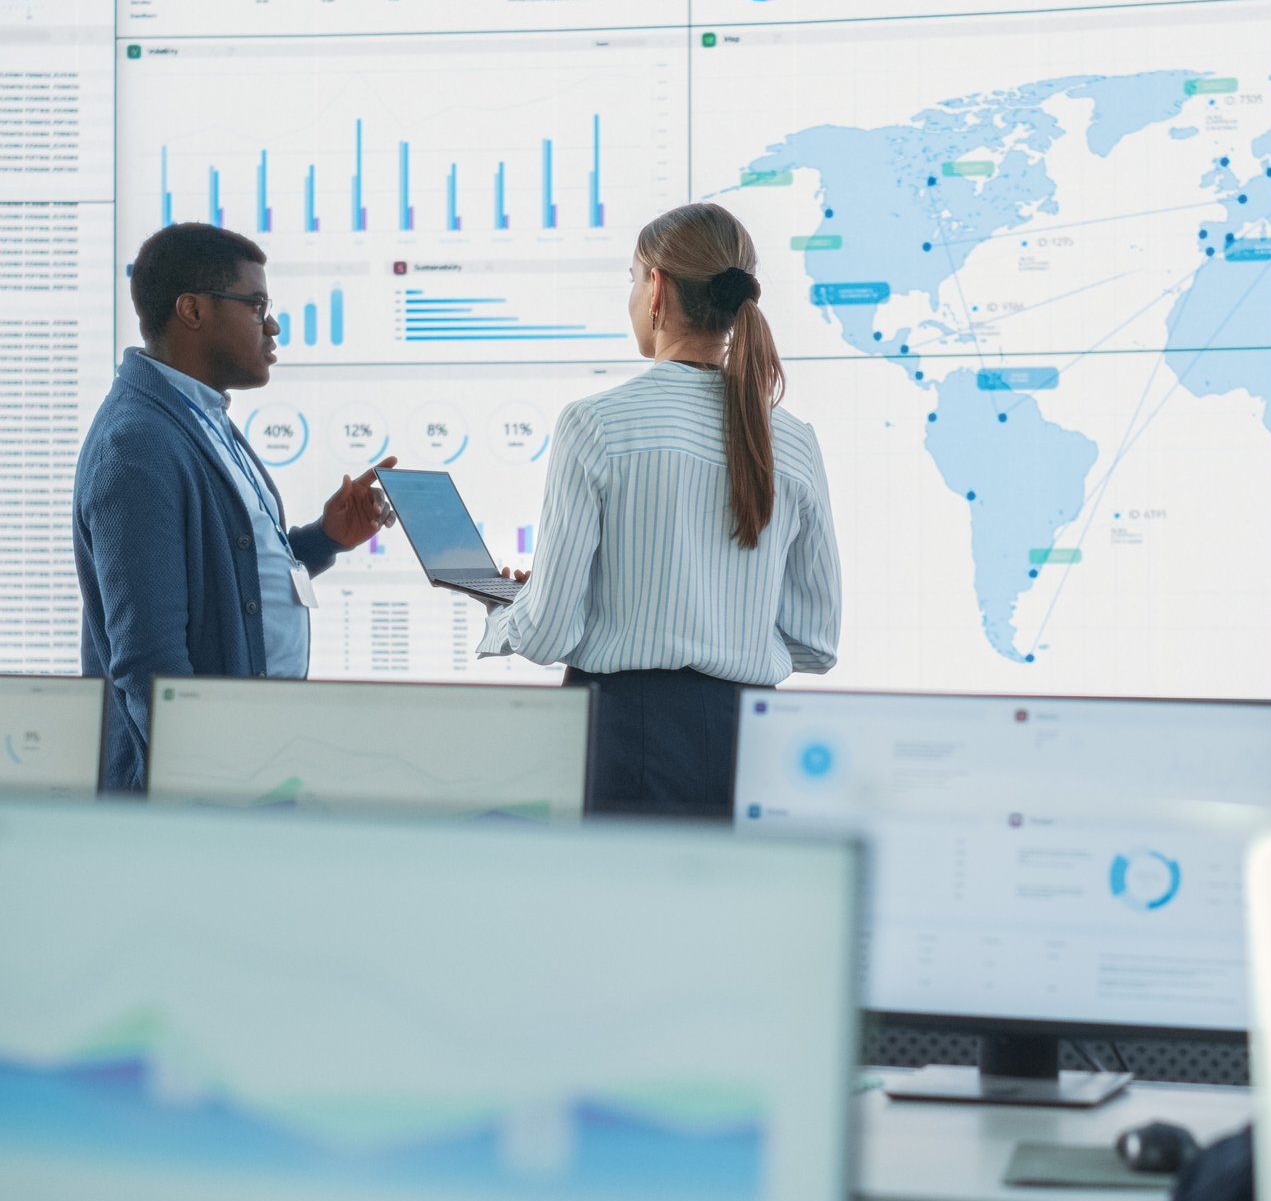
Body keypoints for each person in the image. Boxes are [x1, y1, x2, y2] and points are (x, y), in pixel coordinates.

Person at [478, 202, 842, 817]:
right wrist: (726, 625)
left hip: (627, 734)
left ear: (657, 288)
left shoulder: (596, 425)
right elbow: (816, 644)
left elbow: (546, 636)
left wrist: (508, 610)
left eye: (631, 278)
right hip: (751, 739)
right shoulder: (795, 441)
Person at [74, 223, 396, 791]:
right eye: (257, 305)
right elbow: (150, 661)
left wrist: (324, 538)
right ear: (192, 310)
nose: (272, 326)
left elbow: (231, 577)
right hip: (199, 791)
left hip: (251, 760)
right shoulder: (137, 446)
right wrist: (212, 785)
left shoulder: (203, 417)